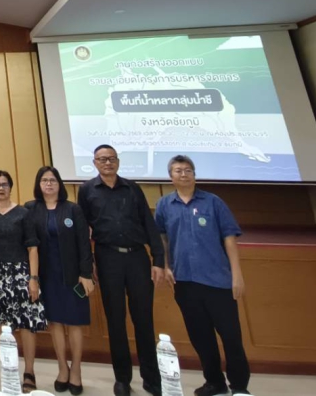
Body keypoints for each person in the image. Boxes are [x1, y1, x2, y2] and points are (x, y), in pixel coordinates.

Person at [156, 156, 250, 396]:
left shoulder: (213, 202)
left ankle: (239, 386)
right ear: (171, 177)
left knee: (231, 336)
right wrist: (165, 265)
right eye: (178, 171)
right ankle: (214, 382)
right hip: (185, 282)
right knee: (201, 337)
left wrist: (237, 275)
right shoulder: (164, 205)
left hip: (217, 281)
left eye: (188, 170)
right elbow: (162, 238)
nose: (184, 174)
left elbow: (229, 237)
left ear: (194, 175)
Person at [78, 145, 165, 396]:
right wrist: (88, 265)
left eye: (112, 159)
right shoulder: (87, 190)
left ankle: (151, 378)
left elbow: (148, 223)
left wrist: (158, 259)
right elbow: (83, 231)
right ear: (95, 163)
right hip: (108, 259)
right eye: (102, 159)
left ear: (118, 161)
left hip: (138, 258)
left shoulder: (133, 188)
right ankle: (122, 379)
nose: (108, 163)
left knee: (144, 320)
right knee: (115, 321)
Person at [26, 166, 93, 396]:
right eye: (44, 180)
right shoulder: (31, 208)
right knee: (54, 323)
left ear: (59, 184)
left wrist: (86, 273)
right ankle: (62, 368)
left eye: (53, 180)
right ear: (39, 184)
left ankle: (76, 370)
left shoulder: (72, 209)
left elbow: (84, 243)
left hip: (73, 276)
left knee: (74, 322)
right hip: (46, 275)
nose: (49, 184)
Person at [0, 170, 47, 394]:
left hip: (21, 273)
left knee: (27, 324)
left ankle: (29, 372)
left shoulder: (23, 213)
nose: (1, 188)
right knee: (4, 326)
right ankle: (9, 370)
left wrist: (33, 278)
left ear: (11, 187)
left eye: (5, 184)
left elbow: (33, 248)